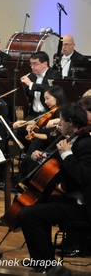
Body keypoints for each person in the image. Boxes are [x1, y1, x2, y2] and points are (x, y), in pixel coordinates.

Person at [18, 103, 91, 272]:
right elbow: (62, 169)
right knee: (35, 205)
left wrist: (67, 154)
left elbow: (83, 177)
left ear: (70, 122)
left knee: (29, 215)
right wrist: (43, 159)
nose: (59, 124)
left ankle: (45, 264)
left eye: (62, 121)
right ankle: (42, 259)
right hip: (72, 198)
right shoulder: (72, 139)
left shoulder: (86, 143)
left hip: (83, 206)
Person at [20, 51, 62, 119]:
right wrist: (21, 87)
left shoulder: (54, 74)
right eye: (31, 64)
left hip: (49, 114)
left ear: (45, 64)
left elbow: (50, 88)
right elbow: (25, 95)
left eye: (35, 64)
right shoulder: (31, 76)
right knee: (17, 127)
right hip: (33, 114)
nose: (32, 67)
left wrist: (31, 84)